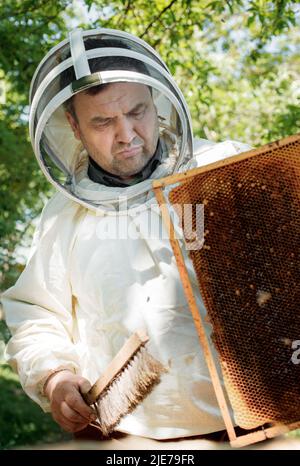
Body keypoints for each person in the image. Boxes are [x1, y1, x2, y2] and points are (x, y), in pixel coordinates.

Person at [2, 28, 250, 443]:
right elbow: (37, 314)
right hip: (126, 438)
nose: (127, 134)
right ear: (74, 126)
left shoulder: (226, 170)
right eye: (103, 121)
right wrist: (55, 376)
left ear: (157, 103)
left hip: (248, 426)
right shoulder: (65, 217)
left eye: (137, 112)